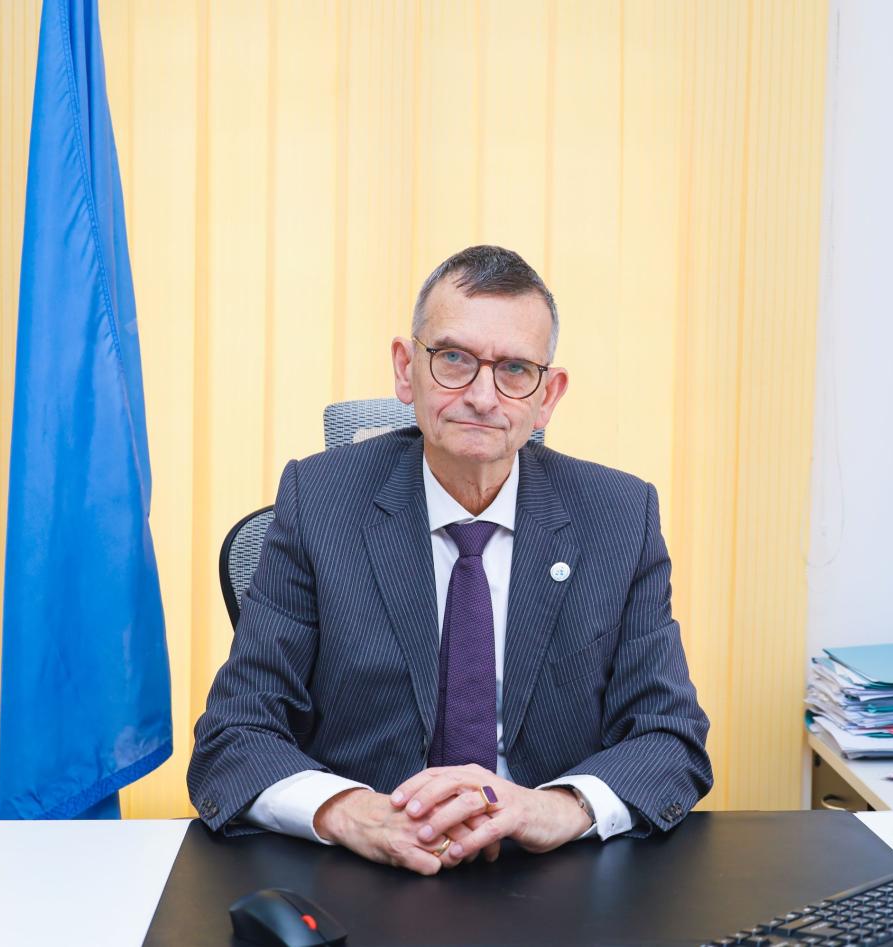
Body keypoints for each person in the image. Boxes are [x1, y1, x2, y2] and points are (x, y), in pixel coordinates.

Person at [188, 245, 711, 875]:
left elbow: (669, 735)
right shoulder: (319, 501)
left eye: (515, 369)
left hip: (551, 872)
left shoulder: (618, 516)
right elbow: (235, 734)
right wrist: (355, 814)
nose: (484, 397)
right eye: (455, 359)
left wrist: (557, 807)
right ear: (405, 369)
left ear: (547, 396)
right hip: (365, 868)